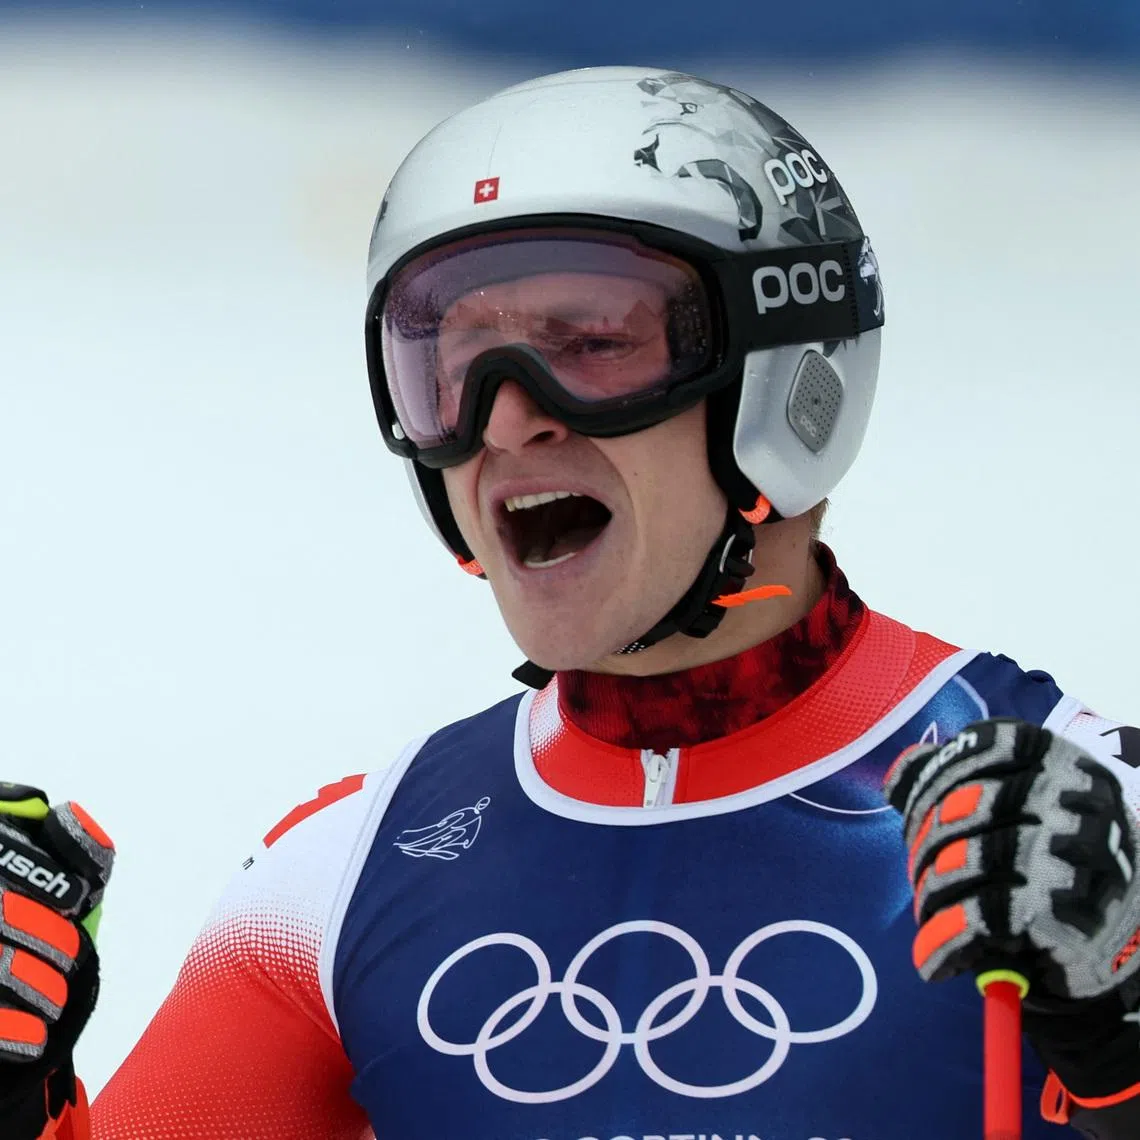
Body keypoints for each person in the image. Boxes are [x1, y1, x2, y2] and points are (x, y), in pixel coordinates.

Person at [3, 65, 1140, 1139]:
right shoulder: (337, 876)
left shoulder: (1079, 822)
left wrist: (1120, 1047)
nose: (506, 419)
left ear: (789, 380)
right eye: (448, 364)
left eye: (594, 345)